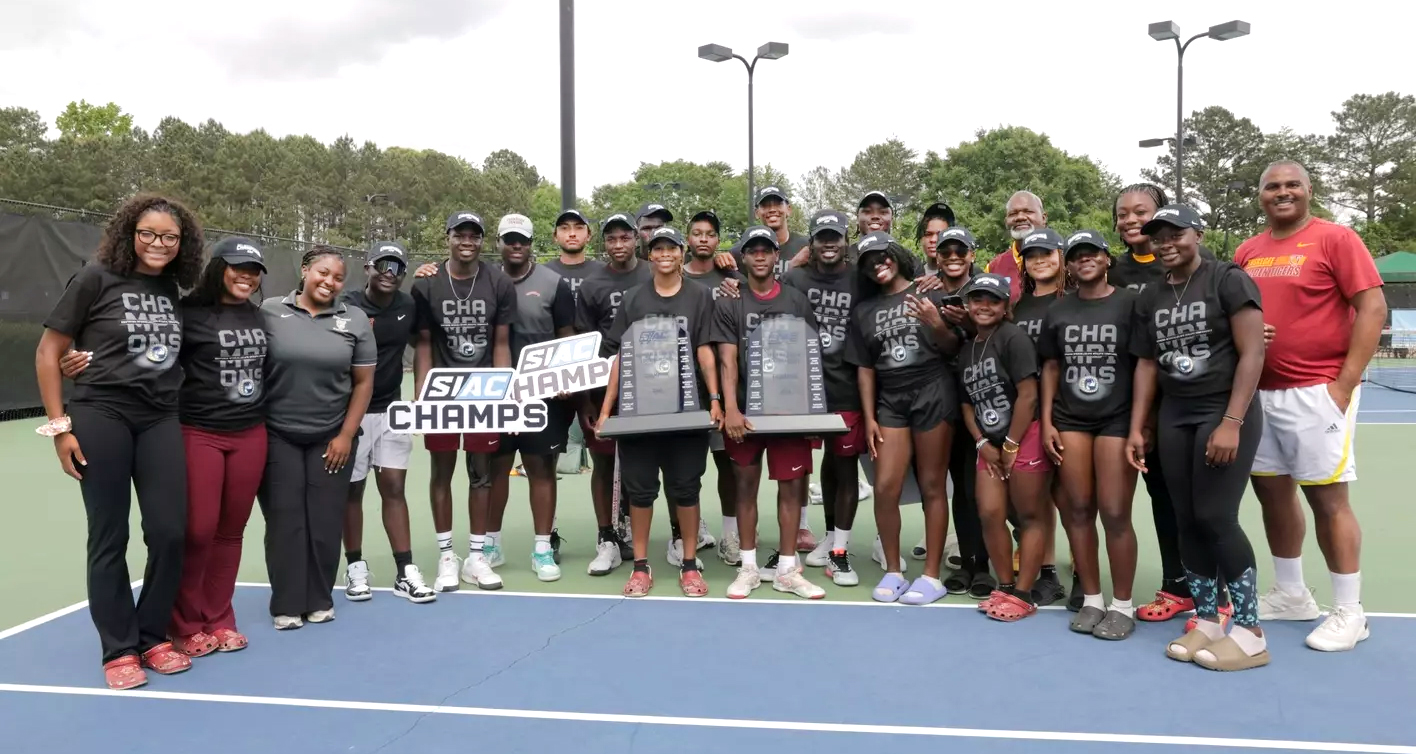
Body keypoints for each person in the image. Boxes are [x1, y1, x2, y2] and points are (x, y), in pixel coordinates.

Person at [58, 236, 272, 656]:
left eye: (253, 271)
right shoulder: (186, 310)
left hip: (249, 432)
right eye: (237, 267)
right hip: (196, 430)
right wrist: (76, 358)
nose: (245, 276)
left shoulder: (261, 316)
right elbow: (136, 343)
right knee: (196, 530)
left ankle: (219, 616)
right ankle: (185, 623)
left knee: (230, 533)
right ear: (217, 268)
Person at [37, 193, 203, 689]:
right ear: (130, 233)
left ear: (182, 244)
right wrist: (59, 427)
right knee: (110, 533)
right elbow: (50, 352)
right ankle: (118, 648)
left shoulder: (173, 288)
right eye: (148, 233)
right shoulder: (94, 278)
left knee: (170, 530)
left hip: (159, 417)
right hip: (101, 413)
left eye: (169, 237)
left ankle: (152, 636)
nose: (158, 243)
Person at [1236, 160, 1386, 652]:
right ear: (1260, 196)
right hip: (1260, 392)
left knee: (1327, 499)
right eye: (1272, 186)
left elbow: (1372, 307)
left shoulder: (1336, 239)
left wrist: (1343, 385)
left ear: (1308, 190)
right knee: (1272, 496)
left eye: (1292, 185)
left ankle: (1349, 611)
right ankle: (1292, 593)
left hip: (1316, 390)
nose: (1282, 193)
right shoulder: (1248, 251)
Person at [1127, 204, 1270, 671]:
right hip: (1175, 415)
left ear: (1198, 233)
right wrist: (1138, 425)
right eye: (1158, 236)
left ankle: (1250, 632)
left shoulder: (1226, 278)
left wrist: (1232, 420)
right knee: (1186, 517)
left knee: (1216, 516)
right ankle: (1208, 621)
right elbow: (1148, 364)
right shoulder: (1150, 296)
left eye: (1176, 234)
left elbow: (1252, 353)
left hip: (1223, 411)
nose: (1166, 242)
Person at [595, 226, 723, 597]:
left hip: (686, 412)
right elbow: (620, 356)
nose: (665, 253)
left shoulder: (699, 297)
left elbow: (704, 350)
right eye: (658, 248)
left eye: (672, 248)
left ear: (682, 253)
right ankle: (639, 566)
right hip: (640, 413)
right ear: (650, 255)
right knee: (641, 492)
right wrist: (606, 409)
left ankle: (687, 564)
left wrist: (714, 398)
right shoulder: (634, 299)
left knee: (686, 488)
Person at [258, 246, 375, 629]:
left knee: (324, 521)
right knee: (285, 520)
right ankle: (287, 604)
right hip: (278, 435)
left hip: (332, 437)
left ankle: (319, 598)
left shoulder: (354, 319)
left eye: (338, 277)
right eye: (322, 273)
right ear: (305, 271)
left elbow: (362, 384)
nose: (330, 282)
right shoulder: (269, 311)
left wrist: (345, 435)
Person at [1039, 230, 1143, 640]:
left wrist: (1140, 424)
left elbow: (1143, 365)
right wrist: (1047, 420)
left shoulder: (1130, 303)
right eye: (1077, 255)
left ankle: (1122, 604)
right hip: (1071, 419)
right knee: (1079, 509)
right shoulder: (1059, 310)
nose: (1085, 260)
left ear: (1106, 259)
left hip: (1116, 419)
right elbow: (1050, 367)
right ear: (1069, 263)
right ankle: (1093, 599)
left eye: (1092, 253)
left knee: (1115, 512)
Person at [846, 232, 960, 604]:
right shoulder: (864, 310)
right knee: (885, 486)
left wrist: (936, 322)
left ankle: (931, 577)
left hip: (933, 391)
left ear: (896, 255)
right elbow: (865, 369)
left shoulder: (932, 291)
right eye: (867, 262)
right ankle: (893, 571)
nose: (877, 265)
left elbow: (953, 347)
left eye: (882, 256)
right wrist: (870, 418)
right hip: (890, 401)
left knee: (932, 485)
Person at [716, 226, 828, 600]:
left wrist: (810, 413)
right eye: (753, 250)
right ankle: (748, 567)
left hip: (789, 413)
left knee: (791, 489)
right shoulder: (731, 301)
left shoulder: (797, 300)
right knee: (744, 488)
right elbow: (727, 360)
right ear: (744, 257)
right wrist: (731, 408)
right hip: (747, 413)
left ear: (776, 255)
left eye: (767, 249)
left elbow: (810, 358)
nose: (760, 255)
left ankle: (786, 569)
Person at [412, 211, 517, 591]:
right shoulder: (426, 284)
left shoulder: (498, 282)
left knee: (481, 474)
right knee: (441, 472)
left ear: (482, 241)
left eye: (475, 235)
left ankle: (476, 556)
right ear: (448, 237)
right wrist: (422, 395)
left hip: (484, 392)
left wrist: (504, 393)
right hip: (443, 392)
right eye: (461, 234)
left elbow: (501, 342)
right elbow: (423, 343)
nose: (467, 241)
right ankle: (446, 556)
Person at [341, 241, 434, 604]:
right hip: (350, 414)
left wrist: (421, 393)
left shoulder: (409, 305)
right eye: (382, 265)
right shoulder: (346, 304)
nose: (389, 273)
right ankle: (355, 566)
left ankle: (405, 570)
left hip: (392, 410)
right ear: (368, 267)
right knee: (352, 491)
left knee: (394, 487)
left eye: (397, 267)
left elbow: (423, 343)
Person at [486, 214, 577, 581]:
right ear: (499, 243)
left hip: (543, 396)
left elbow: (567, 337)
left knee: (541, 468)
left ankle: (543, 547)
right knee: (494, 469)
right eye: (509, 239)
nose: (516, 245)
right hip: (496, 396)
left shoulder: (553, 283)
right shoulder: (484, 280)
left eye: (521, 239)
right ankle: (489, 543)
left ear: (531, 242)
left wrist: (568, 376)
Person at [957, 272, 1052, 622]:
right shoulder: (968, 348)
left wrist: (1012, 443)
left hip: (1022, 437)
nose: (983, 306)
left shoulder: (1013, 339)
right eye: (977, 299)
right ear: (967, 305)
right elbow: (967, 403)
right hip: (990, 444)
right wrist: (982, 442)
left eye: (992, 300)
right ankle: (1006, 587)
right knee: (991, 514)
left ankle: (1025, 593)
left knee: (1029, 516)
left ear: (1005, 306)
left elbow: (1029, 394)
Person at [785, 210, 869, 585]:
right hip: (802, 391)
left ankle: (839, 550)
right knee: (818, 465)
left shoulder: (860, 279)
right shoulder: (795, 278)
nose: (829, 242)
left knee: (844, 464)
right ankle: (828, 534)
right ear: (812, 243)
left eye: (835, 236)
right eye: (822, 236)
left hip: (846, 386)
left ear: (846, 240)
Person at [577, 212, 653, 573]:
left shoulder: (655, 274)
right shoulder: (592, 286)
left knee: (648, 463)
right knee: (605, 462)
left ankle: (655, 532)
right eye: (612, 239)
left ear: (636, 239)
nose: (619, 245)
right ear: (603, 243)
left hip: (654, 388)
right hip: (605, 390)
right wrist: (588, 401)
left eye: (625, 237)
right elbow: (585, 347)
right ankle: (606, 535)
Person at [931, 228, 994, 599]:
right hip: (946, 399)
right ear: (936, 256)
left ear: (972, 253)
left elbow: (997, 334)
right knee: (957, 487)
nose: (953, 256)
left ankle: (985, 563)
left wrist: (968, 320)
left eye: (960, 250)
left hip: (985, 401)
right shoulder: (925, 290)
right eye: (945, 251)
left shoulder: (986, 291)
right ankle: (968, 560)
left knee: (979, 489)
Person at [682, 209, 741, 566]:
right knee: (687, 467)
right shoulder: (673, 273)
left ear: (718, 240)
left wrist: (734, 273)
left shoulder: (732, 276)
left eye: (710, 234)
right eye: (697, 233)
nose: (703, 239)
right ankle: (692, 529)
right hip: (684, 387)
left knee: (728, 465)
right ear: (688, 239)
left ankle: (731, 534)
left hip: (725, 386)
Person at [987, 190, 1048, 304]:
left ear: (1044, 218)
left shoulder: (1063, 259)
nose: (1020, 217)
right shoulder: (993, 268)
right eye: (1013, 214)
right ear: (1006, 221)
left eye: (1028, 211)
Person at [543, 207, 605, 300]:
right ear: (555, 236)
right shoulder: (543, 273)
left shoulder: (604, 272)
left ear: (588, 235)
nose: (572, 234)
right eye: (564, 228)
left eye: (579, 228)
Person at [916, 201, 957, 277]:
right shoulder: (911, 274)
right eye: (928, 234)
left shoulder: (968, 273)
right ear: (921, 238)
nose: (933, 240)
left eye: (940, 234)